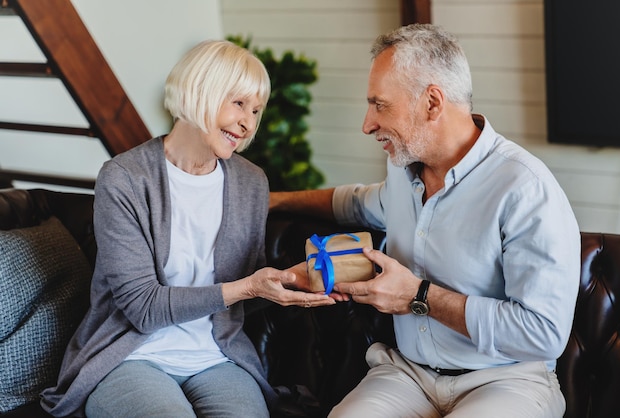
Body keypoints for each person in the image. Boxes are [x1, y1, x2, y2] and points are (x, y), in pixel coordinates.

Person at [270, 23, 580, 417]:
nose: (367, 124)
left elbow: (543, 333)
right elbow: (359, 203)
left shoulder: (526, 188)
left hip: (507, 379)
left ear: (432, 102)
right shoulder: (402, 171)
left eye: (379, 105)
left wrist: (419, 297)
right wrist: (269, 201)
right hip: (408, 375)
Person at [40, 40, 335, 418]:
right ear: (201, 90)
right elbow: (143, 309)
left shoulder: (250, 182)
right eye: (239, 103)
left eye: (256, 110)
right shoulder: (125, 178)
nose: (248, 123)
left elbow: (240, 290)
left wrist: (289, 280)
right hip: (131, 354)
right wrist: (246, 286)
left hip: (217, 355)